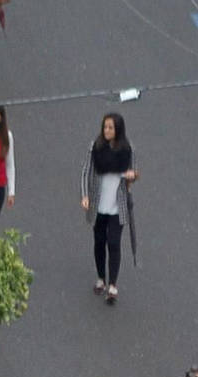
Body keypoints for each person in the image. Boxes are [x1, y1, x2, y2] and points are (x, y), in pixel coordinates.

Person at [81, 113, 138, 304]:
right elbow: (85, 172)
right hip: (98, 204)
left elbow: (133, 176)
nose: (106, 131)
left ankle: (112, 284)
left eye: (111, 128)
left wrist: (131, 176)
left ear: (118, 130)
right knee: (99, 242)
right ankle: (101, 278)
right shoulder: (96, 147)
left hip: (117, 204)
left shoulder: (128, 150)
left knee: (113, 243)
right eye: (105, 127)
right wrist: (85, 195)